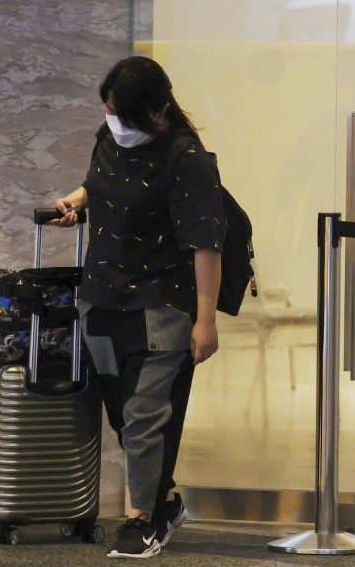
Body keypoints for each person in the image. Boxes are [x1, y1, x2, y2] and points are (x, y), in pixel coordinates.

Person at [51, 56, 225, 558]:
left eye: (121, 113)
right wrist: (78, 200)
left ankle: (141, 519)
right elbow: (105, 185)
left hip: (161, 305)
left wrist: (206, 320)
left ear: (155, 110)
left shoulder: (186, 158)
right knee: (119, 411)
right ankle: (165, 502)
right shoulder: (108, 138)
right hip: (100, 298)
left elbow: (206, 244)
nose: (114, 122)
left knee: (144, 414)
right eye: (107, 110)